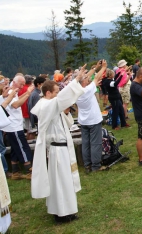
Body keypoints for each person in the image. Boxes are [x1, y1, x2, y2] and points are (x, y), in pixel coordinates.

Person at [31, 66, 87, 223]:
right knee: (60, 182)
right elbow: (62, 98)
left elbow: (65, 122)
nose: (57, 95)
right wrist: (76, 80)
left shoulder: (52, 106)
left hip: (63, 148)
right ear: (48, 93)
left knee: (66, 181)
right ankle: (61, 213)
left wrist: (67, 111)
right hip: (57, 149)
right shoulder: (45, 106)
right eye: (56, 92)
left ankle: (68, 210)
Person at [76, 60, 108, 173]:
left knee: (86, 143)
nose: (87, 78)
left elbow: (85, 78)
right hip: (93, 120)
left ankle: (87, 165)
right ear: (83, 82)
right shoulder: (87, 90)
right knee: (96, 143)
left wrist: (95, 68)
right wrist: (103, 68)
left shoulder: (76, 90)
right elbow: (95, 78)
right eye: (85, 79)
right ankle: (96, 165)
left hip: (83, 120)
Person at [0, 75, 34, 180]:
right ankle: (29, 169)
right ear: (14, 82)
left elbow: (16, 99)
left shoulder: (12, 91)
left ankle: (15, 170)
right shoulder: (10, 92)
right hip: (13, 126)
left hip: (14, 125)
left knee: (15, 148)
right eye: (21, 84)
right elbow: (15, 105)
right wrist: (28, 93)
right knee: (23, 147)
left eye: (24, 84)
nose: (22, 86)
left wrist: (26, 94)